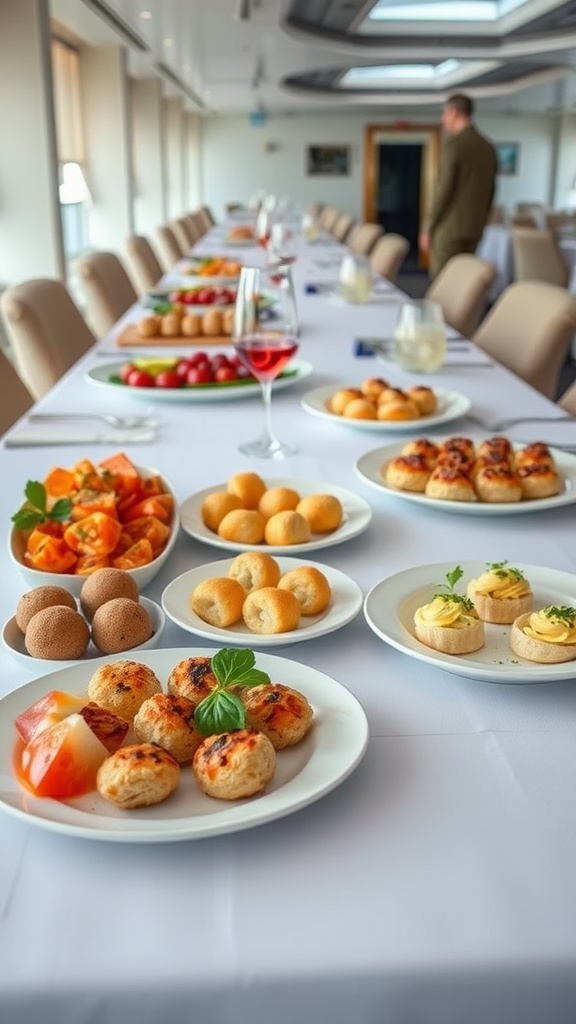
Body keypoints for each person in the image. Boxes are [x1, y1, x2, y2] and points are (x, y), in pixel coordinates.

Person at [420, 94, 497, 280]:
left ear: (454, 112)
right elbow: (491, 191)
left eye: (444, 113)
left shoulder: (453, 145)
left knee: (443, 282)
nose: (443, 119)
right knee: (463, 283)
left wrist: (427, 227)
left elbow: (443, 192)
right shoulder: (488, 147)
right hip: (474, 228)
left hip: (448, 229)